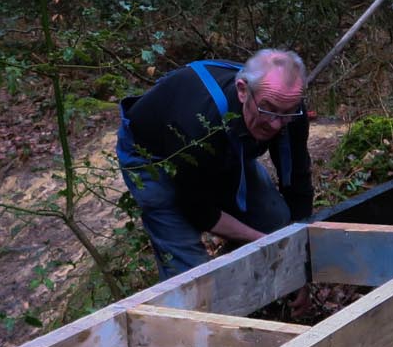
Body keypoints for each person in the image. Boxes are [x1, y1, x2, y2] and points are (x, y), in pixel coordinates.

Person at [117, 48, 313, 277]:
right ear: (243, 91)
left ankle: (248, 283)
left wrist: (302, 263)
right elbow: (197, 210)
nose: (276, 124)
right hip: (158, 158)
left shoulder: (290, 111)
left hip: (223, 148)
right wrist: (267, 242)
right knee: (191, 276)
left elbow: (297, 182)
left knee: (274, 219)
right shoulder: (195, 124)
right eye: (267, 109)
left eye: (286, 113)